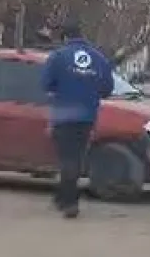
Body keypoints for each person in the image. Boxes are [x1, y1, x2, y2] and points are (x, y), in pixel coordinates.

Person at [41, 21, 114, 219]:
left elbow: (46, 84)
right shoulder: (99, 58)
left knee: (66, 159)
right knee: (76, 157)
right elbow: (107, 89)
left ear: (65, 37)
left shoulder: (57, 56)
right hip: (87, 116)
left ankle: (70, 202)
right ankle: (61, 197)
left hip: (63, 115)